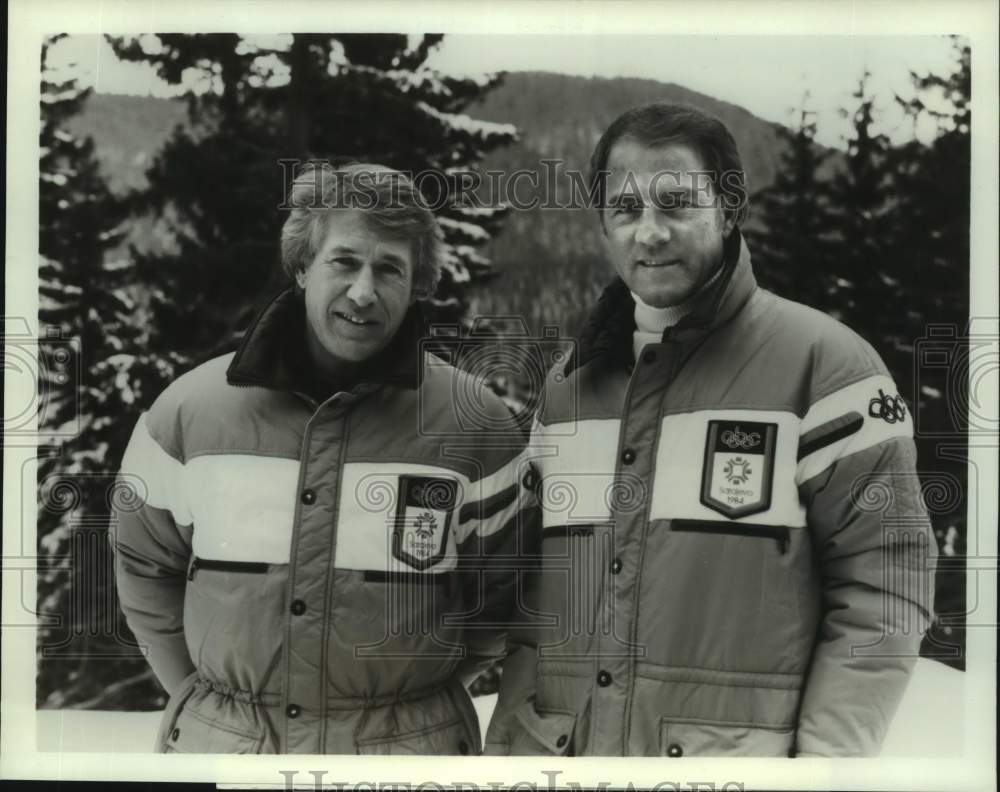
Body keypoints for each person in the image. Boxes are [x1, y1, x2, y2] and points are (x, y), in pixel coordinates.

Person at [484, 103, 937, 757]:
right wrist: (512, 749)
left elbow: (884, 589)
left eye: (676, 203)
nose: (650, 233)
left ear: (728, 211)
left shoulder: (825, 367)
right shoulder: (568, 389)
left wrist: (823, 769)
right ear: (603, 227)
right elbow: (536, 600)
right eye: (626, 209)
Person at [111, 162, 534, 754]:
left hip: (408, 759)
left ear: (416, 286)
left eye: (389, 268)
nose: (364, 292)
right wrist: (209, 704)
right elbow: (143, 570)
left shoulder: (477, 426)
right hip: (226, 751)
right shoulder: (188, 414)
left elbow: (500, 601)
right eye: (344, 261)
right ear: (303, 266)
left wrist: (408, 711)